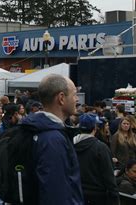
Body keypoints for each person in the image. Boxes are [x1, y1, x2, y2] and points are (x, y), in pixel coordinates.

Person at [20, 74, 83, 204]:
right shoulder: (52, 139)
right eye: (74, 94)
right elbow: (55, 194)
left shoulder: (36, 129)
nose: (77, 99)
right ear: (61, 98)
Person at [73, 113, 119, 205]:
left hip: (75, 193)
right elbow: (109, 176)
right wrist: (115, 198)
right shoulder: (101, 148)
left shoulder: (70, 145)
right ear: (95, 128)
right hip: (97, 196)